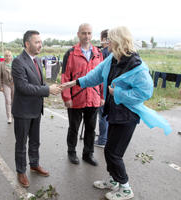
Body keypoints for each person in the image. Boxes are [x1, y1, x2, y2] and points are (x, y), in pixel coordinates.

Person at [61, 26, 171, 200]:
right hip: (114, 113)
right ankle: (113, 181)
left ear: (118, 41)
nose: (106, 42)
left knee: (113, 153)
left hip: (127, 116)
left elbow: (145, 92)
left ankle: (125, 188)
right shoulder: (112, 58)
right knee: (109, 151)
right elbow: (95, 76)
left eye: (109, 39)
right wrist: (74, 83)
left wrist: (117, 93)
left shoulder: (136, 65)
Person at [12, 30, 61, 188]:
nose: (41, 45)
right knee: (21, 143)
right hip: (23, 111)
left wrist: (50, 87)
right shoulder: (18, 61)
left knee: (35, 141)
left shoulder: (38, 60)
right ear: (27, 44)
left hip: (36, 109)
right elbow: (23, 87)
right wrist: (47, 90)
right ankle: (21, 171)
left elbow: (39, 83)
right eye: (37, 42)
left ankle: (34, 164)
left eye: (41, 41)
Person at [61, 23, 103, 166]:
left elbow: (102, 77)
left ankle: (88, 154)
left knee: (91, 128)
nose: (87, 36)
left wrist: (102, 96)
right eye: (84, 33)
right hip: (76, 98)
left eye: (89, 33)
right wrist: (67, 97)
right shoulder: (71, 53)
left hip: (94, 97)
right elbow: (65, 77)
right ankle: (71, 152)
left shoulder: (98, 53)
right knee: (74, 127)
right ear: (78, 34)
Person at [95, 29, 110, 148]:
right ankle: (106, 137)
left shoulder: (104, 53)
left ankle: (102, 139)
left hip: (104, 87)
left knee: (103, 114)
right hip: (111, 87)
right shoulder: (114, 52)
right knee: (108, 113)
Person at [0, 50, 14, 124]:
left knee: (13, 100)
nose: (8, 57)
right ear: (4, 57)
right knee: (8, 100)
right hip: (6, 84)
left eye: (9, 55)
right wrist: (0, 86)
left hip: (14, 84)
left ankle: (13, 114)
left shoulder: (14, 63)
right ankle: (9, 117)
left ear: (11, 56)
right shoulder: (1, 64)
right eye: (6, 56)